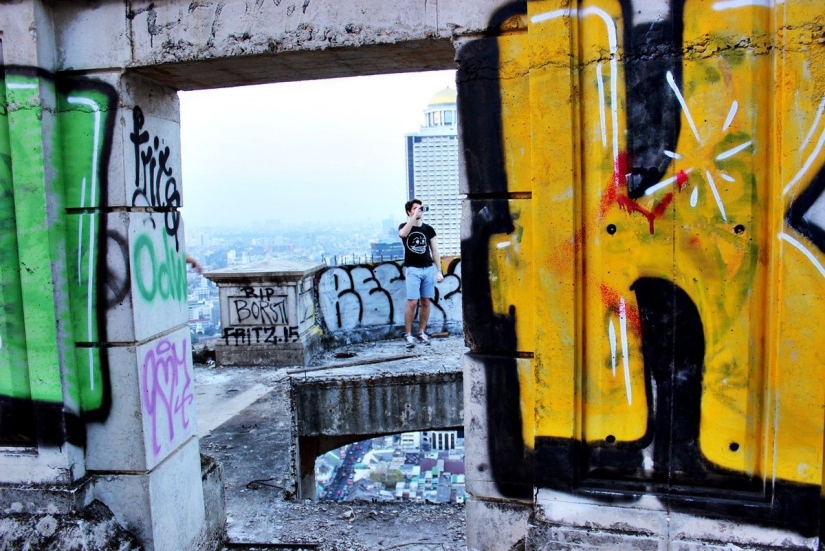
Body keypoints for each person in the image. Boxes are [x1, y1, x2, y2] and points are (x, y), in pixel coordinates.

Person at [399, 199, 444, 349]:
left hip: (427, 268)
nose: (419, 210)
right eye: (415, 208)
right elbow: (403, 234)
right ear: (409, 211)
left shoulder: (428, 229)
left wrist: (439, 270)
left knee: (426, 302)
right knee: (412, 302)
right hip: (413, 269)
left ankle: (422, 332)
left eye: (420, 208)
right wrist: (414, 218)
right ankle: (407, 334)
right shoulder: (405, 227)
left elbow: (435, 251)